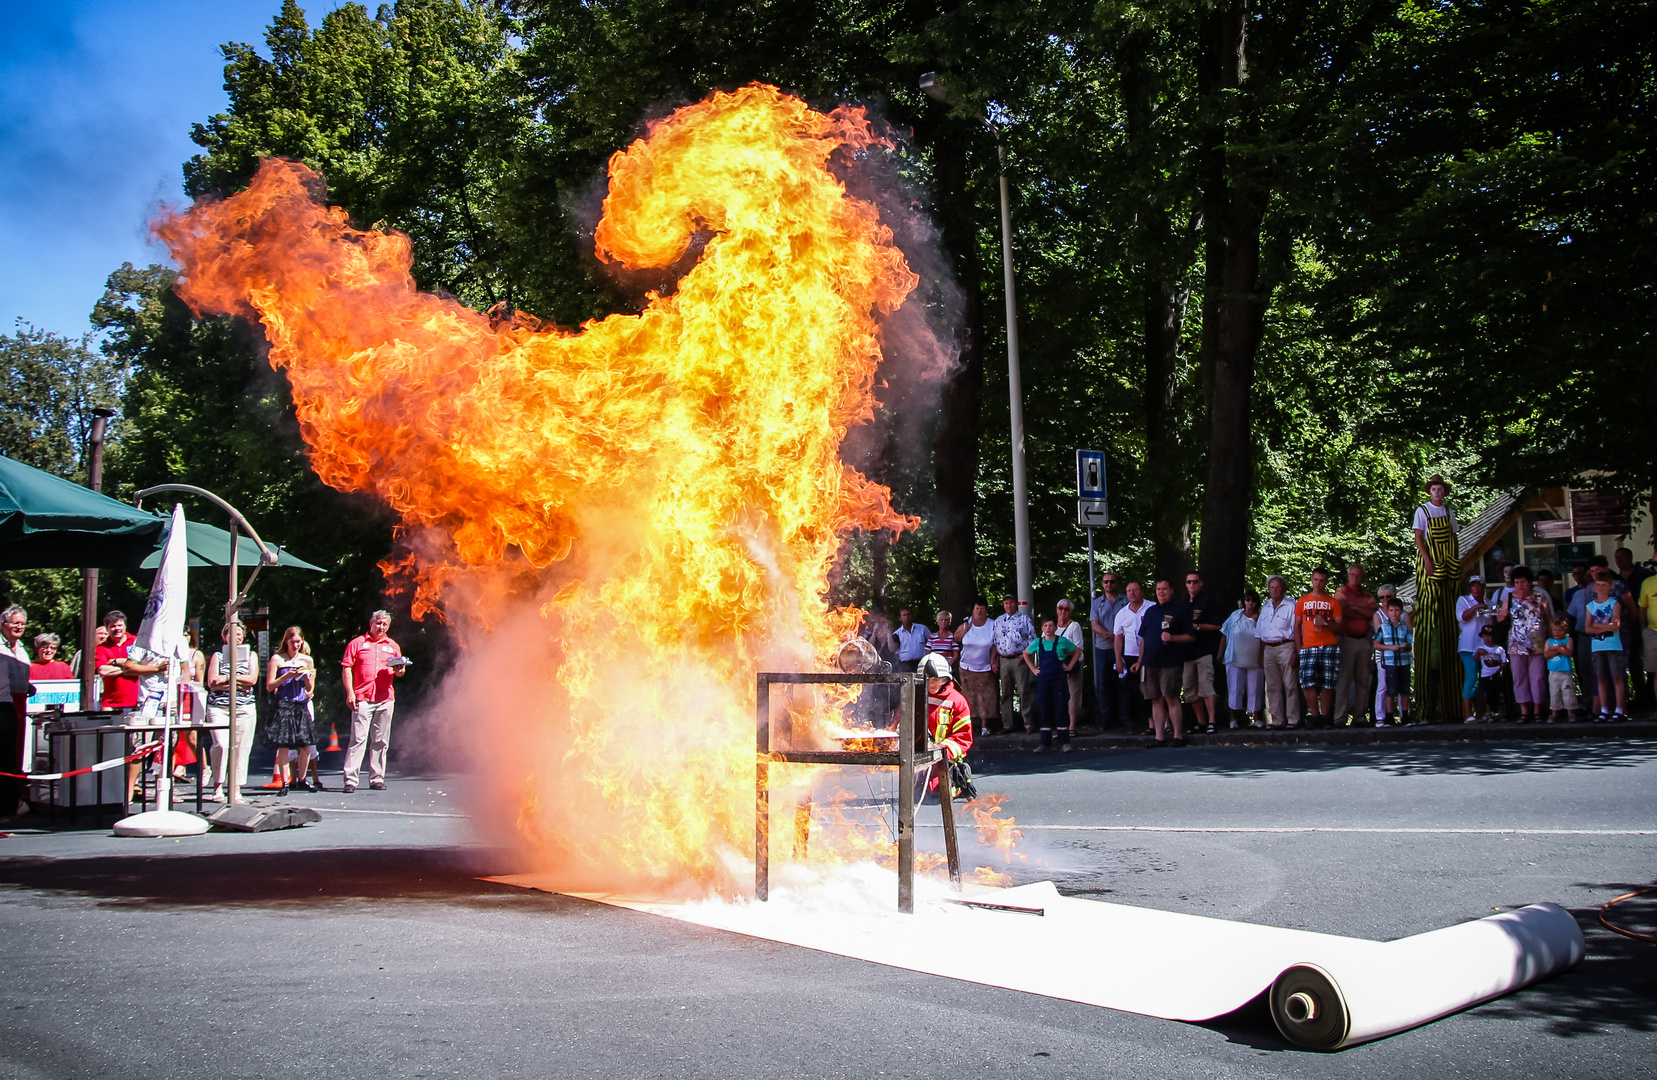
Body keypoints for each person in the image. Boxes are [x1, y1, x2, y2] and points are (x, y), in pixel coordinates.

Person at [1411, 475, 1463, 722]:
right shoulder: (1423, 510)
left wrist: (1454, 561)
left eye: (1440, 489)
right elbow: (1418, 538)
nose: (1438, 492)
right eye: (1434, 489)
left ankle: (1453, 707)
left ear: (1444, 492)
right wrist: (1428, 560)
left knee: (1448, 604)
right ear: (1429, 491)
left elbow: (1454, 537)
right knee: (1430, 601)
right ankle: (1425, 708)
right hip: (1431, 560)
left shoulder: (1449, 511)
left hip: (1448, 560)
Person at [341, 609, 405, 792]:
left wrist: (400, 670)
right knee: (358, 739)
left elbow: (400, 671)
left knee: (381, 740)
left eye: (385, 624)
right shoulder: (357, 643)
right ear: (371, 623)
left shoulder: (392, 646)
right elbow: (346, 668)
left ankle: (377, 777)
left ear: (389, 626)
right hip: (363, 698)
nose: (381, 627)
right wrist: (350, 693)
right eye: (378, 623)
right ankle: (350, 780)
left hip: (385, 699)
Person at [205, 621, 258, 801]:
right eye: (232, 634)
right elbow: (212, 682)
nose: (236, 637)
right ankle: (218, 785)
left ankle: (235, 788)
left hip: (244, 708)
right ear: (224, 637)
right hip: (219, 708)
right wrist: (235, 680)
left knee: (241, 747)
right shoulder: (218, 657)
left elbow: (252, 680)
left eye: (239, 634)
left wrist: (226, 680)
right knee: (222, 744)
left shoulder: (251, 655)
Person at [1496, 566, 1554, 723]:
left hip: (1538, 644)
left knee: (1538, 677)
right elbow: (1500, 617)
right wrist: (1501, 613)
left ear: (1530, 583)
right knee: (1519, 677)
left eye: (1522, 582)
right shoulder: (1509, 597)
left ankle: (1537, 710)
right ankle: (1523, 710)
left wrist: (1551, 640)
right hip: (1516, 645)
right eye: (1517, 582)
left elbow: (1549, 620)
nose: (1520, 585)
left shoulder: (1540, 597)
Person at [263, 626, 318, 794]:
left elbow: (310, 688)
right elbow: (269, 685)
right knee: (284, 745)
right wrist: (286, 675)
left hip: (300, 703)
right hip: (283, 703)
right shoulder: (277, 659)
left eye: (298, 642)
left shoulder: (306, 660)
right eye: (293, 642)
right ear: (286, 641)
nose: (296, 645)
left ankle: (302, 779)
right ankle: (285, 782)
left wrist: (306, 677)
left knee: (306, 745)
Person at [1139, 580, 1192, 747]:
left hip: (1170, 662)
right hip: (1150, 662)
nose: (1161, 592)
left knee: (1171, 697)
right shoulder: (1150, 611)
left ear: (1171, 590)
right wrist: (1140, 661)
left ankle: (1177, 736)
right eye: (1158, 589)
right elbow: (1143, 639)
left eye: (1164, 589)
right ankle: (1159, 737)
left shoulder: (1179, 610)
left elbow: (1190, 636)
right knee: (1155, 699)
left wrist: (1173, 638)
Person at [919, 652, 973, 798]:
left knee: (942, 793)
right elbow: (900, 723)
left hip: (945, 762)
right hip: (916, 764)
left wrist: (939, 751)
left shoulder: (957, 702)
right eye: (927, 679)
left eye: (936, 679)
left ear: (945, 678)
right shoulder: (914, 696)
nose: (931, 683)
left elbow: (963, 737)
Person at [1294, 569, 1344, 727]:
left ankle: (1325, 716)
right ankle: (1314, 715)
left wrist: (1327, 623)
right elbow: (1296, 625)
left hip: (1329, 645)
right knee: (1306, 681)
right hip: (1308, 646)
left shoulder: (1332, 602)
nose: (1318, 583)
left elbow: (1340, 627)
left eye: (1322, 580)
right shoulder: (1303, 600)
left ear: (1326, 582)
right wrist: (1299, 648)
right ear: (1311, 579)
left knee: (1328, 683)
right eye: (1316, 579)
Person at [1024, 616, 1079, 752]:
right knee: (1044, 709)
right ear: (1042, 628)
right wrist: (1033, 669)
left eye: (1051, 626)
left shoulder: (1062, 641)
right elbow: (1026, 654)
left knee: (1061, 709)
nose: (1048, 628)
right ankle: (1044, 743)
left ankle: (1065, 742)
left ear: (1055, 628)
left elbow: (1077, 651)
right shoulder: (1038, 642)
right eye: (1045, 626)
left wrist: (1070, 665)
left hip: (1059, 681)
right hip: (1043, 681)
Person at [1333, 564, 1378, 725]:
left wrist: (1353, 609)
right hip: (1346, 640)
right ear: (1347, 575)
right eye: (1352, 574)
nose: (1355, 578)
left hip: (1364, 640)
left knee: (1363, 680)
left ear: (1363, 577)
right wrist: (1359, 610)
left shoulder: (1368, 595)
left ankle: (1359, 716)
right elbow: (1341, 609)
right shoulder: (1341, 592)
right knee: (1344, 680)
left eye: (1358, 575)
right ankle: (1340, 717)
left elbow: (1372, 611)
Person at [1584, 570, 1627, 721]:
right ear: (1594, 587)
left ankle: (1620, 709)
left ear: (1611, 587)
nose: (1600, 588)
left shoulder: (1614, 604)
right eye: (1598, 585)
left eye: (1604, 585)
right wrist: (1604, 626)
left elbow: (1616, 625)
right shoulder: (1590, 606)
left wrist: (1597, 625)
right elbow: (1587, 628)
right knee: (1601, 679)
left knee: (1617, 678)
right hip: (1597, 647)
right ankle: (1604, 710)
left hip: (1614, 646)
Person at [1257, 575, 1299, 729]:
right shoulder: (1266, 606)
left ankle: (1293, 720)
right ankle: (1276, 720)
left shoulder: (1291, 605)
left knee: (1290, 684)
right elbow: (1261, 632)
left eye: (1278, 587)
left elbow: (1296, 630)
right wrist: (1260, 654)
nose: (1275, 590)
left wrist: (1296, 652)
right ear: (1268, 590)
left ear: (1284, 588)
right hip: (1268, 648)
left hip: (1286, 646)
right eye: (1272, 587)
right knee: (1272, 686)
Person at [1181, 573, 1221, 734]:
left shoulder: (1208, 601)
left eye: (1194, 582)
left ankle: (1212, 721)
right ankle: (1201, 722)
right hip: (1186, 653)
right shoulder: (1183, 603)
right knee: (1190, 690)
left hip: (1204, 651)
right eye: (1188, 582)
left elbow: (1217, 626)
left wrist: (1197, 627)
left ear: (1200, 583)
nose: (1191, 584)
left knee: (1206, 687)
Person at [952, 601, 998, 737]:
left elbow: (995, 644)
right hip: (967, 667)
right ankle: (968, 725)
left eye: (982, 609)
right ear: (973, 610)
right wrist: (965, 629)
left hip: (985, 667)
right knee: (968, 697)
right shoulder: (967, 624)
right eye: (977, 609)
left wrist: (993, 660)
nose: (979, 611)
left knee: (985, 698)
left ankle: (984, 726)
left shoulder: (992, 624)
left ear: (985, 611)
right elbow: (956, 638)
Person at [993, 595, 1037, 734]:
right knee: (1005, 692)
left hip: (1019, 659)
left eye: (1011, 603)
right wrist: (994, 660)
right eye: (1006, 603)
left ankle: (1028, 723)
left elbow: (1033, 639)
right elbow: (994, 642)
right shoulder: (998, 621)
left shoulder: (1024, 619)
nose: (1008, 606)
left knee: (1023, 691)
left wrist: (1026, 655)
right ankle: (1007, 724)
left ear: (1015, 604)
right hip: (1004, 659)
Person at [1090, 574, 1129, 728]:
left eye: (1112, 581)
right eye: (1106, 582)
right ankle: (1105, 718)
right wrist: (1110, 635)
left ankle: (1124, 717)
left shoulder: (1125, 601)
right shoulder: (1097, 603)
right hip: (1103, 648)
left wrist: (1119, 637)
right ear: (1102, 584)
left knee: (1124, 683)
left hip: (1123, 648)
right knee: (1103, 684)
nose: (1109, 584)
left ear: (1117, 583)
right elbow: (1094, 624)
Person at [1220, 592, 1263, 728]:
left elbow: (1265, 638)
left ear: (1257, 603)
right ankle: (1233, 719)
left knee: (1255, 688)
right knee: (1235, 688)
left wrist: (1262, 655)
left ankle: (1256, 719)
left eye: (1253, 601)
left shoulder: (1262, 618)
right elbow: (1224, 633)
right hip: (1235, 658)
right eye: (1248, 600)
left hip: (1255, 660)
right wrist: (1220, 653)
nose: (1250, 603)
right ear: (1244, 601)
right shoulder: (1235, 616)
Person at [1455, 577, 1495, 721]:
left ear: (1484, 587)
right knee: (1471, 678)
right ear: (1470, 587)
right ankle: (1467, 714)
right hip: (1468, 646)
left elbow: (1494, 622)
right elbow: (1462, 617)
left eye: (1479, 586)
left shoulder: (1490, 603)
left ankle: (1481, 713)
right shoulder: (1463, 600)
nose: (1477, 588)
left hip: (1486, 647)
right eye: (1474, 586)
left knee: (1484, 679)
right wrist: (1476, 607)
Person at [0, 651, 33, 822]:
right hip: (7, 710)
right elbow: (24, 680)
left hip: (4, 710)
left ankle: (10, 807)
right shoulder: (8, 661)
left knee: (6, 762)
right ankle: (11, 807)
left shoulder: (6, 661)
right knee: (6, 762)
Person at [1112, 582, 1149, 731]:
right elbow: (1118, 637)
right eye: (1129, 591)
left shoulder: (1151, 608)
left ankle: (1151, 721)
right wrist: (1118, 659)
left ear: (1141, 591)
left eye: (1135, 590)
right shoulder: (1122, 613)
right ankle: (1131, 721)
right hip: (1129, 656)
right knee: (1130, 689)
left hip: (1149, 655)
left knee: (1148, 688)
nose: (1132, 593)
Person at [1373, 597, 1413, 725]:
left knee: (1405, 690)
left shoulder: (1405, 628)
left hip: (1404, 662)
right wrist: (1390, 647)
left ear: (1401, 612)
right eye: (1391, 610)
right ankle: (1389, 716)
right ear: (1387, 612)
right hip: (1390, 662)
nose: (1394, 613)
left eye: (1396, 610)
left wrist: (1406, 646)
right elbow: (1376, 644)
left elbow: (1410, 644)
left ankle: (1405, 716)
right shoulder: (1383, 628)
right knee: (1391, 690)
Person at [1055, 600, 1085, 738]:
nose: (1063, 611)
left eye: (1066, 609)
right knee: (1058, 696)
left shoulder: (1075, 626)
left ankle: (1072, 726)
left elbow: (1078, 648)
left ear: (1070, 611)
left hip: (1072, 663)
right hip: (1055, 666)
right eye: (1061, 608)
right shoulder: (1051, 626)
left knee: (1073, 694)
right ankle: (1061, 725)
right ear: (1057, 610)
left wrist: (1061, 651)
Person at [1543, 617, 1579, 723]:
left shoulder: (1569, 640)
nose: (1556, 632)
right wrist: (1560, 649)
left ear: (1565, 630)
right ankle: (1554, 713)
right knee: (1554, 692)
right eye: (1554, 630)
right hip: (1553, 673)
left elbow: (1569, 653)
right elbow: (1546, 654)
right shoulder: (1549, 642)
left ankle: (1570, 713)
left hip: (1565, 673)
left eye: (1559, 630)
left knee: (1568, 693)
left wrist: (1557, 648)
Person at [1474, 626, 1509, 721]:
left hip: (1497, 675)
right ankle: (1489, 713)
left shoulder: (1499, 649)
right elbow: (1475, 659)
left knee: (1499, 695)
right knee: (1488, 695)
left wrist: (1499, 668)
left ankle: (1500, 713)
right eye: (1485, 636)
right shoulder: (1481, 648)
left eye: (1489, 636)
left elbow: (1504, 662)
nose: (1487, 638)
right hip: (1486, 675)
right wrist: (1478, 652)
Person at [1640, 552, 1657, 706]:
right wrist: (1644, 629)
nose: (1655, 566)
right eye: (1654, 563)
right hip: (1653, 632)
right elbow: (1642, 608)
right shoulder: (1647, 582)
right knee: (1655, 673)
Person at [889, 608, 929, 672]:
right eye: (904, 615)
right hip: (905, 665)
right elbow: (895, 651)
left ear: (912, 616)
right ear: (900, 618)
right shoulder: (897, 634)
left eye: (908, 614)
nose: (907, 617)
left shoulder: (922, 629)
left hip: (922, 663)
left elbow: (931, 643)